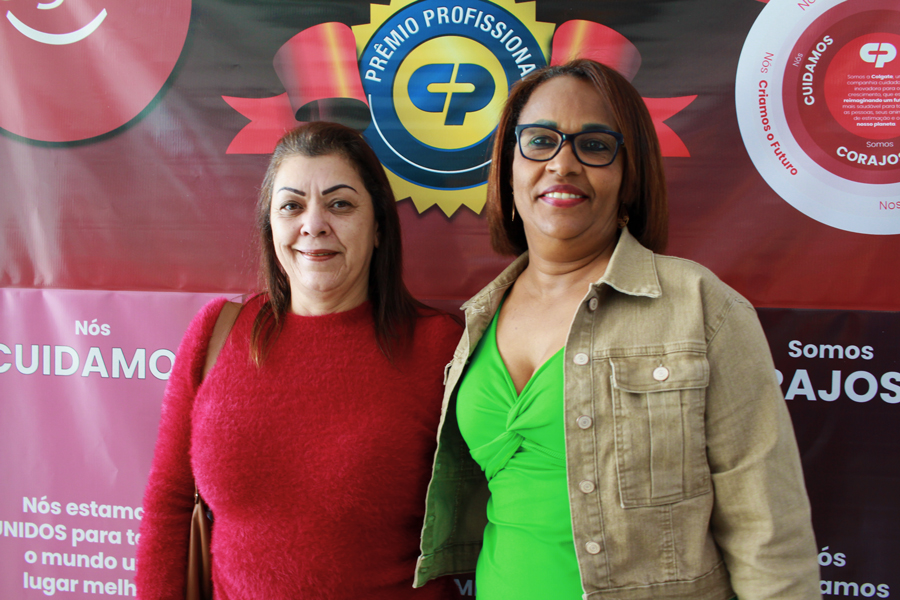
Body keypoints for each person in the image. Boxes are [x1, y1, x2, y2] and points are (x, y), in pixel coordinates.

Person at [414, 59, 820, 599]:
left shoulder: (701, 307)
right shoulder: (475, 320)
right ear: (508, 168)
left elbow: (769, 536)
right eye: (540, 141)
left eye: (595, 146)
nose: (562, 164)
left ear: (630, 177)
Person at [136, 122, 462, 599]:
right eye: (291, 206)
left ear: (378, 228)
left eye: (340, 204)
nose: (314, 224)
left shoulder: (438, 347)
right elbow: (168, 502)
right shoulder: (216, 334)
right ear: (270, 226)